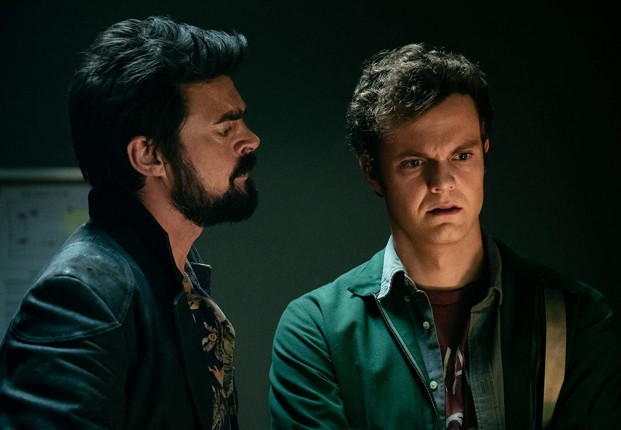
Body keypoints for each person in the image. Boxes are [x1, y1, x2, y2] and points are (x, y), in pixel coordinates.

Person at [268, 42, 621, 429]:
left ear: (485, 153)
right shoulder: (317, 330)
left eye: (462, 156)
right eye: (414, 162)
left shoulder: (576, 318)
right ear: (372, 172)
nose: (442, 183)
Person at [0, 15, 260, 430]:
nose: (250, 139)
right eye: (225, 127)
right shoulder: (81, 296)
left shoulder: (178, 274)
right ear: (148, 156)